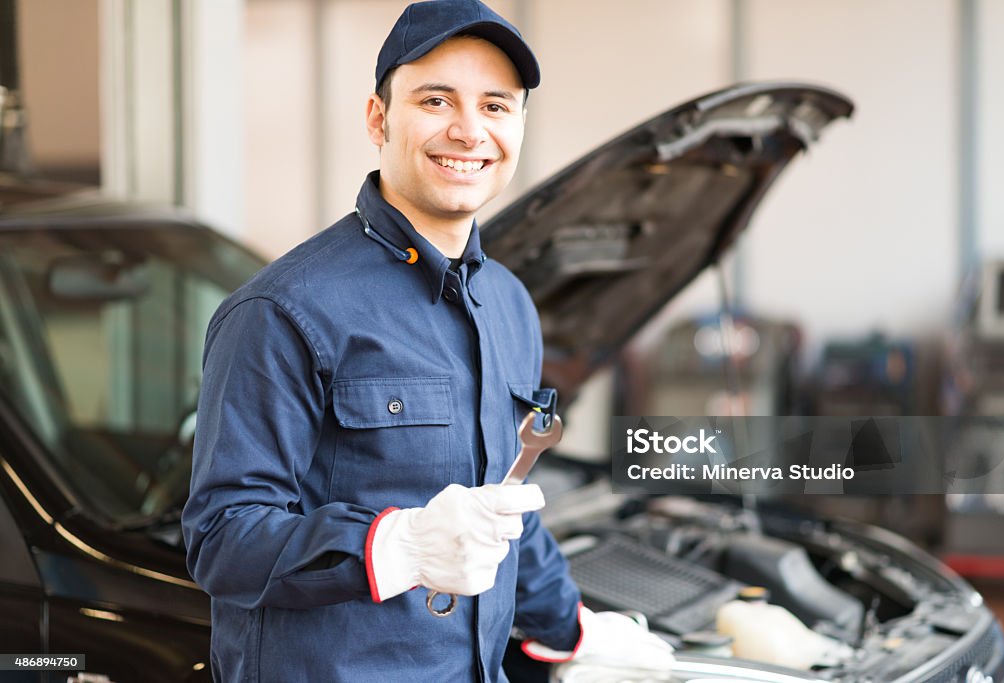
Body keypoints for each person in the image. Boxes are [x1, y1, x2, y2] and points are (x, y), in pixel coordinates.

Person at [181, 1, 674, 680]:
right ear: (378, 118)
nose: (469, 131)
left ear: (519, 125)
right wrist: (397, 545)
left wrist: (574, 628)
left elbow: (505, 509)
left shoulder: (509, 305)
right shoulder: (284, 311)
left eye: (496, 106)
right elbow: (221, 538)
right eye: (436, 99)